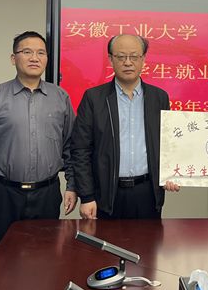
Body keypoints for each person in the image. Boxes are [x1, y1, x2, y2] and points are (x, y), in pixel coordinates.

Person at [0, 31, 76, 250]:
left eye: (41, 53)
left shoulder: (60, 98)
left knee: (46, 257)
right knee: (2, 258)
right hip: (3, 194)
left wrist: (72, 185)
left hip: (47, 193)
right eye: (27, 52)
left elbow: (71, 146)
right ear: (13, 58)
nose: (34, 58)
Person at [71, 34, 175, 220]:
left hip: (147, 193)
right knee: (106, 240)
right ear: (111, 59)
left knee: (148, 239)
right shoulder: (94, 98)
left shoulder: (159, 97)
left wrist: (172, 174)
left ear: (143, 59)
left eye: (134, 56)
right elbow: (80, 150)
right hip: (107, 194)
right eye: (121, 57)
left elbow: (168, 144)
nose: (128, 62)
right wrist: (86, 196)